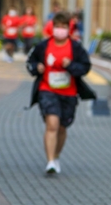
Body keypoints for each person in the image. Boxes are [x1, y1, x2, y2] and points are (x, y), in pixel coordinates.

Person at [25, 11, 96, 174]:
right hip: (47, 90)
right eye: (57, 26)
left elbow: (85, 67)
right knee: (52, 125)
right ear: (53, 28)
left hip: (69, 93)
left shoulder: (75, 48)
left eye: (63, 27)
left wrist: (70, 65)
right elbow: (31, 61)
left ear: (68, 29)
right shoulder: (43, 46)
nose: (60, 30)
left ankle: (56, 155)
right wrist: (37, 67)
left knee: (62, 128)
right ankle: (50, 162)